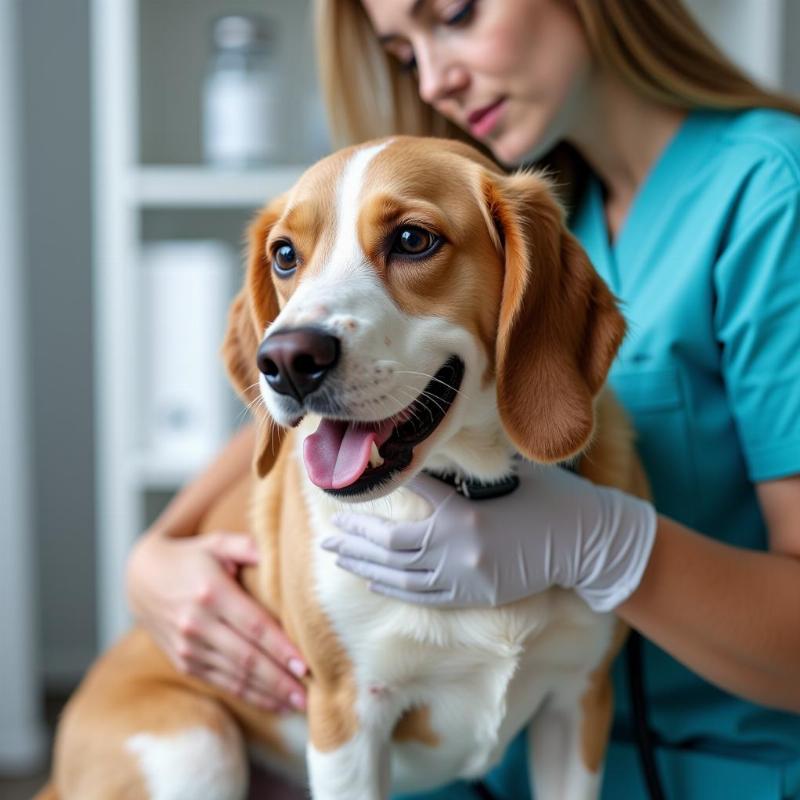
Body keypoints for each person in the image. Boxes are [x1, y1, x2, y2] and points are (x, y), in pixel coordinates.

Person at [127, 1, 800, 797]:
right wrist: (154, 556)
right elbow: (329, 392)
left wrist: (602, 544)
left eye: (454, 13)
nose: (438, 78)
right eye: (404, 54)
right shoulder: (513, 190)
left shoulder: (767, 195)